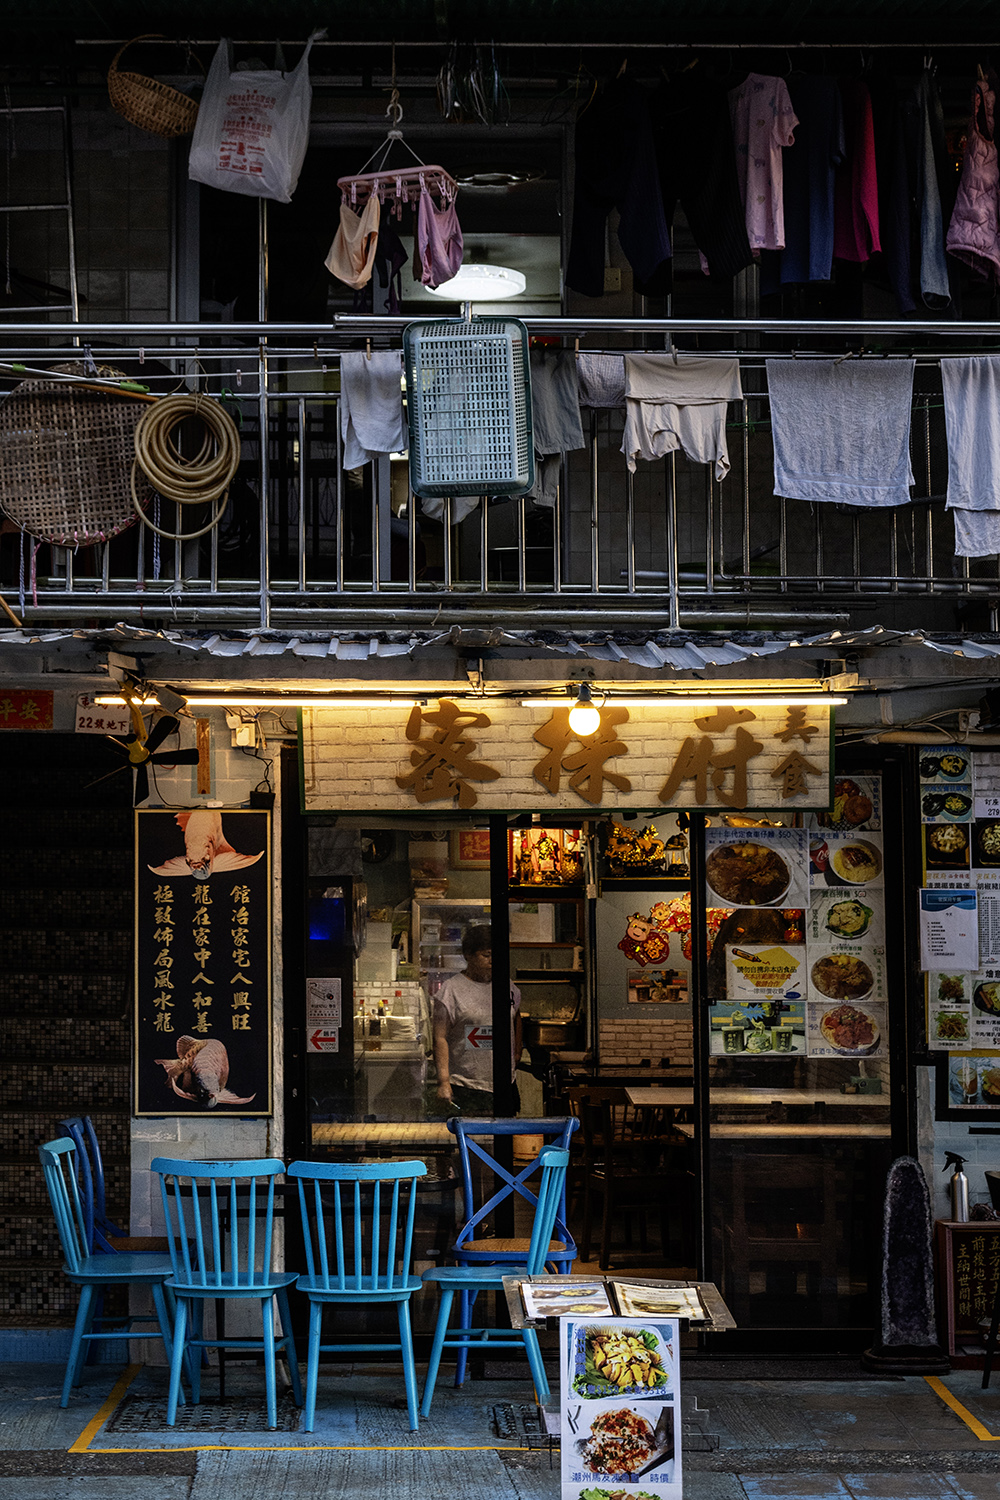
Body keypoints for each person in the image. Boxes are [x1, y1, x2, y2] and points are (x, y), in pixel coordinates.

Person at [433, 925, 522, 1115]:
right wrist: (444, 1081)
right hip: (467, 1085)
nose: (493, 961)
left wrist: (516, 1056)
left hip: (504, 1083)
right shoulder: (451, 990)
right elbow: (439, 1037)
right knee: (472, 1142)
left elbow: (516, 1018)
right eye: (487, 955)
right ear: (468, 955)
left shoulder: (508, 986)